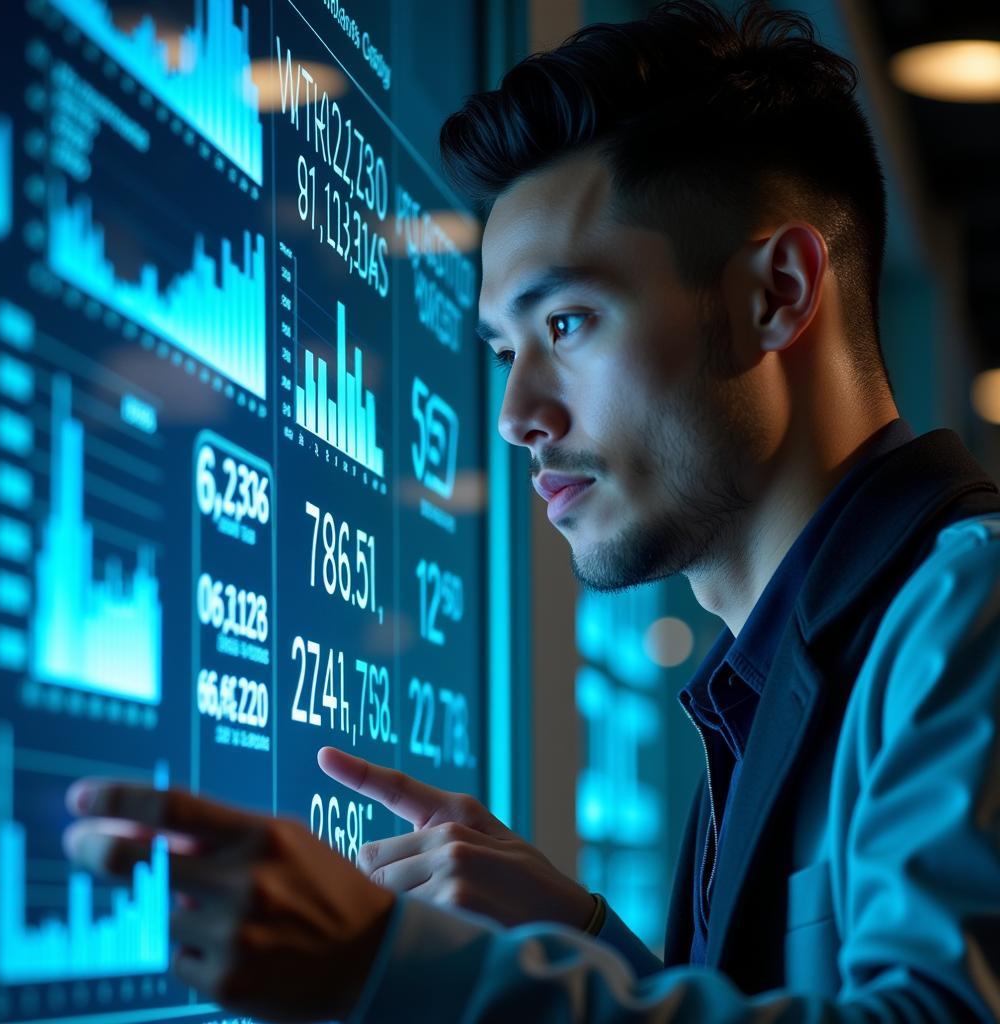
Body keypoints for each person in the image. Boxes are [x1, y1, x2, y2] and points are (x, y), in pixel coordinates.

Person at [63, 1, 1000, 1020]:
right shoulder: (784, 666)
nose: (515, 416)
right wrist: (588, 943)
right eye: (508, 351)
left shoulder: (968, 606)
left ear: (775, 293)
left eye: (568, 321)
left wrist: (393, 963)